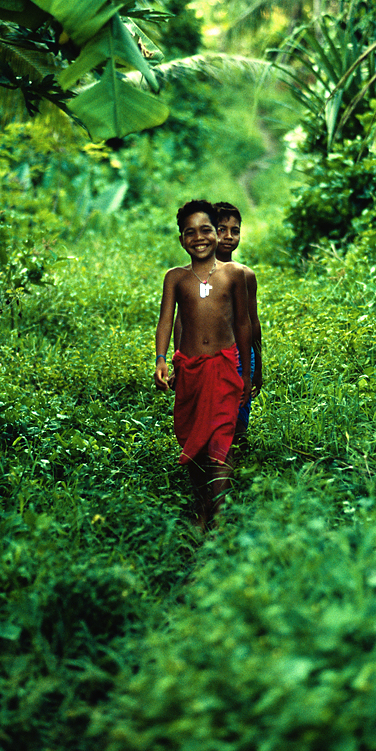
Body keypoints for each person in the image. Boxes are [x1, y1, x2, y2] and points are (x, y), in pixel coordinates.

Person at [154, 199, 252, 531]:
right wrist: (161, 360)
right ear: (182, 239)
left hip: (225, 367)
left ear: (216, 232)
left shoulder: (234, 275)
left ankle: (219, 517)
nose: (200, 237)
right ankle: (201, 503)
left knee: (220, 440)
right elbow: (166, 321)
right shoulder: (176, 278)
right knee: (193, 439)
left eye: (206, 229)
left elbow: (243, 325)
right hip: (189, 369)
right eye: (190, 232)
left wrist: (247, 373)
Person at [214, 202, 263, 452]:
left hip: (243, 356)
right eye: (221, 229)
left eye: (235, 230)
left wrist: (258, 364)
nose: (229, 236)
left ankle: (238, 467)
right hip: (212, 356)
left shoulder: (246, 275)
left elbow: (252, 322)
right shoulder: (198, 275)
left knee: (239, 420)